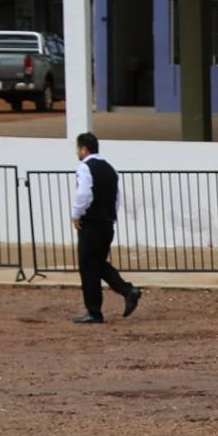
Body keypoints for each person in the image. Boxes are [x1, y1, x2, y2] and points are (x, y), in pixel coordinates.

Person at [71, 132, 139, 325]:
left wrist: (76, 214)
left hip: (91, 222)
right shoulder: (110, 169)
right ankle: (128, 291)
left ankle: (94, 311)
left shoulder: (85, 168)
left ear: (84, 149)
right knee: (98, 263)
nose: (77, 152)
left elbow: (84, 193)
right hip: (107, 223)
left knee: (88, 266)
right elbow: (117, 198)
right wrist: (111, 216)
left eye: (78, 148)